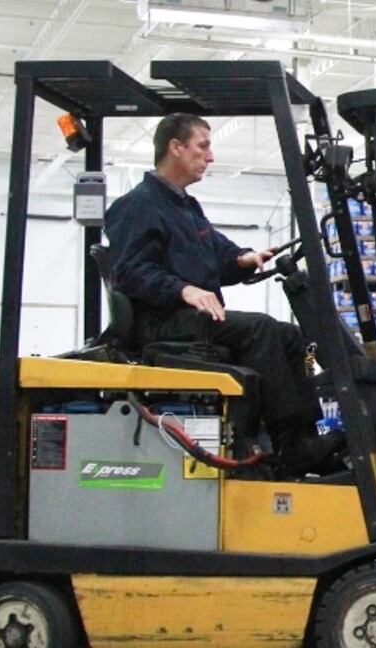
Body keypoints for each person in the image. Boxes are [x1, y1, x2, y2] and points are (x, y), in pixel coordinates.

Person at [103, 112, 344, 474]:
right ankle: (291, 445)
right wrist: (182, 289)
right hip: (160, 322)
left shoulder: (184, 205)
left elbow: (217, 252)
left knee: (295, 338)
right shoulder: (137, 205)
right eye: (203, 146)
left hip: (190, 320)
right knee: (261, 329)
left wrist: (243, 259)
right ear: (176, 147)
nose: (211, 156)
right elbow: (130, 271)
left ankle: (304, 436)